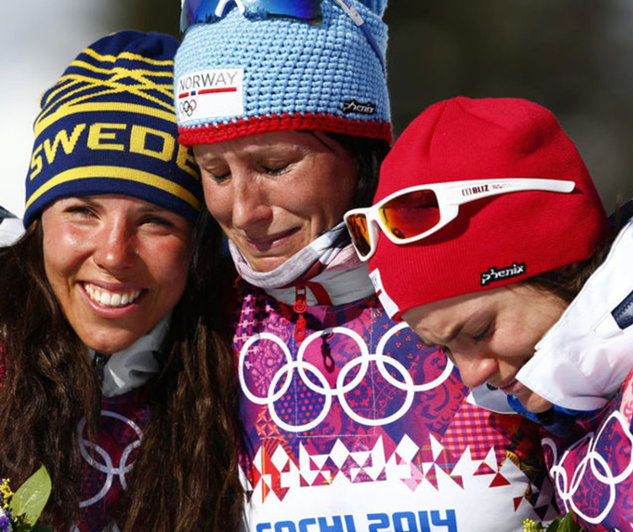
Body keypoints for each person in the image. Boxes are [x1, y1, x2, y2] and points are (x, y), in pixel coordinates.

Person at [174, 2, 559, 530]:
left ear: (361, 149)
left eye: (275, 166)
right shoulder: (200, 331)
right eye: (216, 172)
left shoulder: (476, 295)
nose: (243, 210)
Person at [353, 95, 633, 530]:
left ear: (555, 265)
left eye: (480, 329)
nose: (470, 374)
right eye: (446, 350)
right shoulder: (574, 406)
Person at [0, 31, 243, 531]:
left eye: (156, 220)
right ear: (38, 222)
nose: (113, 255)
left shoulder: (253, 367)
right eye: (83, 212)